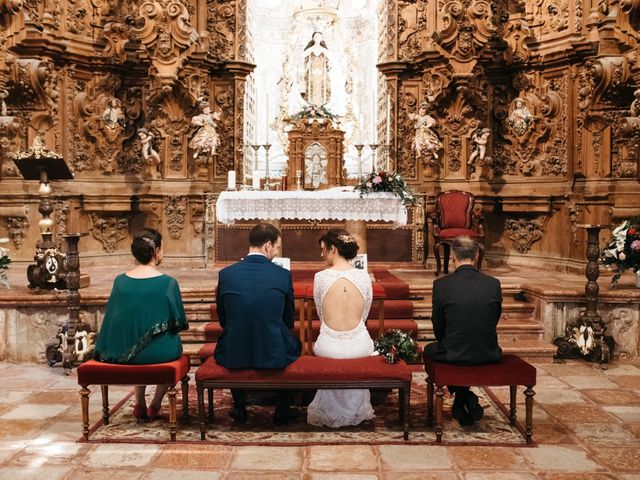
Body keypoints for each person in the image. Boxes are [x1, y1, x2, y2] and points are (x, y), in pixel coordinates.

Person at [94, 228, 188, 421]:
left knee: (136, 341)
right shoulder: (168, 283)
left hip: (123, 353)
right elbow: (178, 323)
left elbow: (112, 320)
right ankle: (155, 404)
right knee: (167, 341)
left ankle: (139, 403)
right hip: (159, 355)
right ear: (157, 251)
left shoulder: (120, 282)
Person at [214, 223, 301, 425]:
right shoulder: (282, 275)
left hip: (235, 350)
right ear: (268, 246)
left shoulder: (226, 274)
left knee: (236, 335)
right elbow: (288, 319)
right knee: (291, 343)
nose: (277, 252)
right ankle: (282, 408)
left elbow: (223, 318)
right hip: (273, 350)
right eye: (278, 248)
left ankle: (239, 407)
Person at [423, 236, 502, 426]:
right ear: (476, 256)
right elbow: (494, 318)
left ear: (453, 258)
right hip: (488, 352)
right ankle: (463, 399)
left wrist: (448, 342)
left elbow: (438, 326)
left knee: (428, 350)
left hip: (454, 352)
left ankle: (463, 397)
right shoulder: (493, 284)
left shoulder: (442, 285)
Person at [307, 229, 376, 428]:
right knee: (357, 345)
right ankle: (357, 409)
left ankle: (329, 410)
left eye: (323, 250)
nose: (321, 255)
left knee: (327, 346)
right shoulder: (364, 277)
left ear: (333, 249)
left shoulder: (320, 277)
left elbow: (321, 314)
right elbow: (365, 313)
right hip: (361, 346)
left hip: (329, 346)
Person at [301, 31, 331, 107]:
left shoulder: (324, 50)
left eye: (319, 37)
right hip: (311, 75)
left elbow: (331, 60)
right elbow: (301, 58)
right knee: (310, 90)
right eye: (316, 36)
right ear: (313, 38)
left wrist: (329, 65)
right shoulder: (310, 49)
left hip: (322, 75)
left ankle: (320, 108)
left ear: (321, 39)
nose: (317, 38)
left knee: (323, 91)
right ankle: (311, 108)